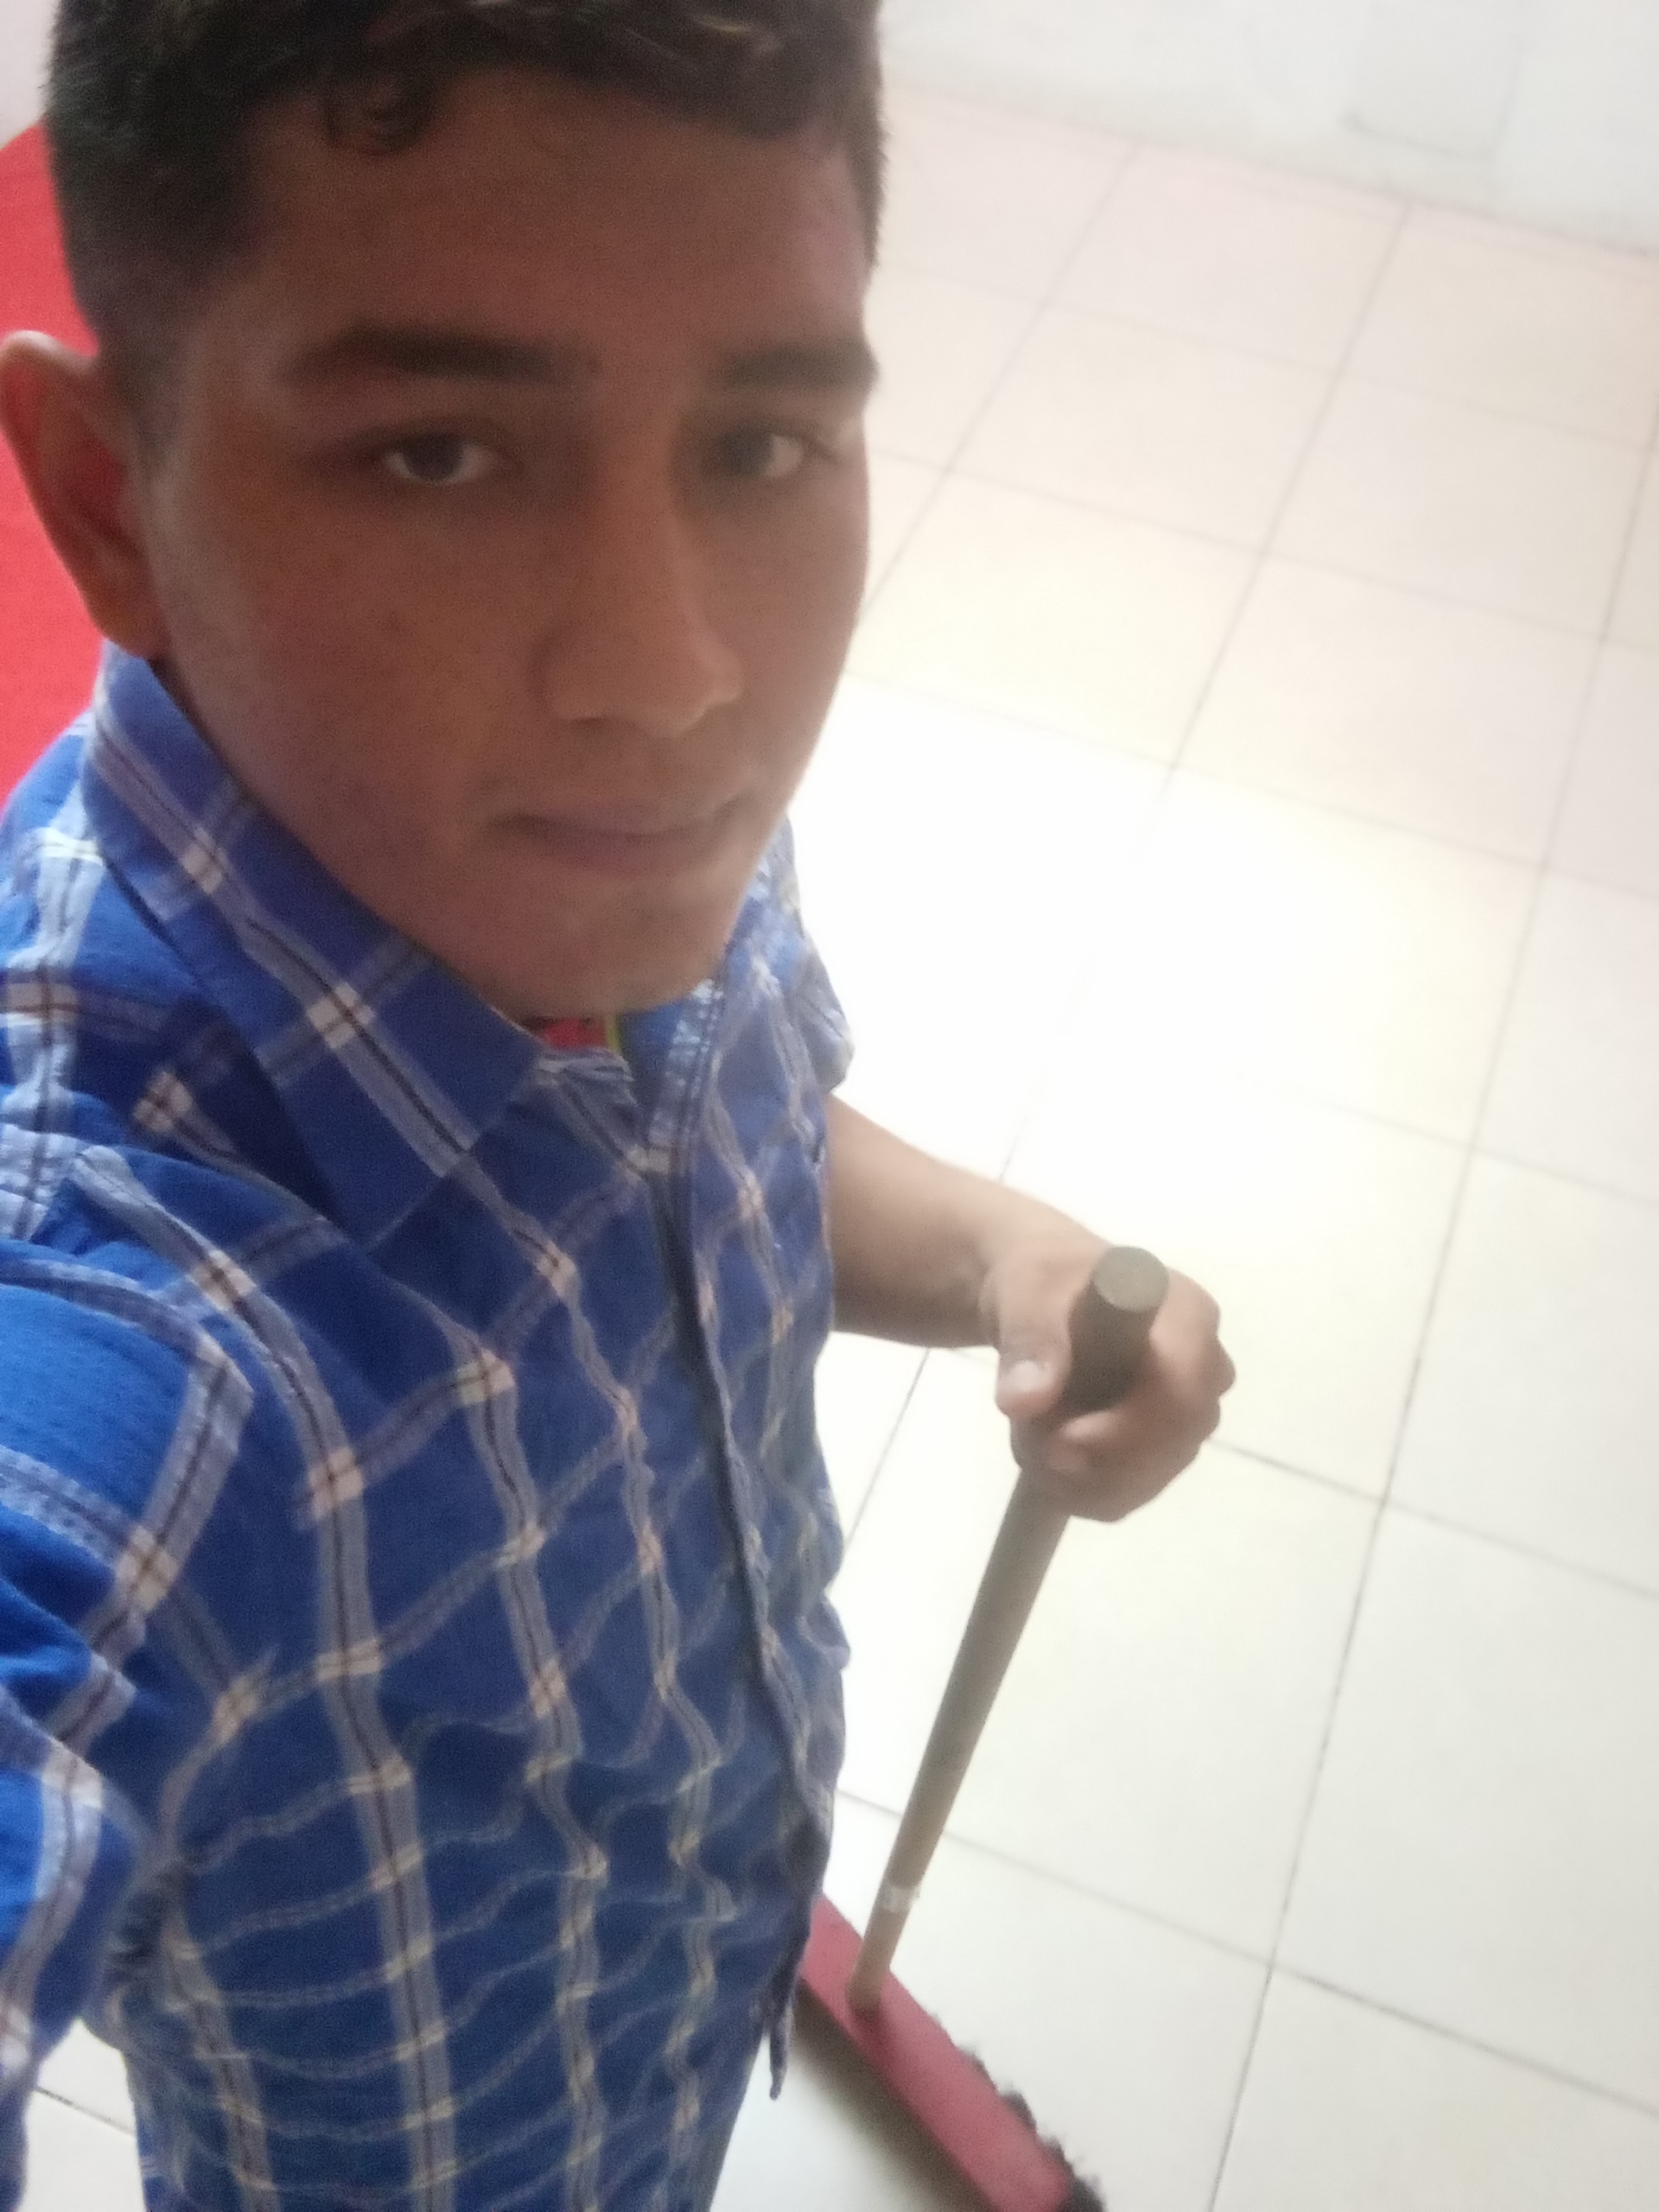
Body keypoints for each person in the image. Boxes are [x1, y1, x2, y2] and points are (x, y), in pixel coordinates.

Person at [0, 4, 1235, 2206]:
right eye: (439, 454)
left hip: (667, 1988)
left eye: (761, 444)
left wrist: (1001, 1253)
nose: (676, 677)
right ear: (111, 498)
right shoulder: (118, 1309)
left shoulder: (559, 835)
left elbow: (703, 1136)